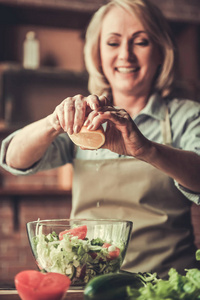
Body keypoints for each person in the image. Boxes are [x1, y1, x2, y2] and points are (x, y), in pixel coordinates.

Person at [1, 0, 200, 279]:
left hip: (168, 283)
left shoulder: (187, 116)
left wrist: (147, 150)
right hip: (90, 282)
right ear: (97, 54)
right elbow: (13, 159)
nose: (125, 55)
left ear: (161, 52)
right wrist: (54, 122)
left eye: (140, 42)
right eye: (113, 43)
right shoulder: (83, 117)